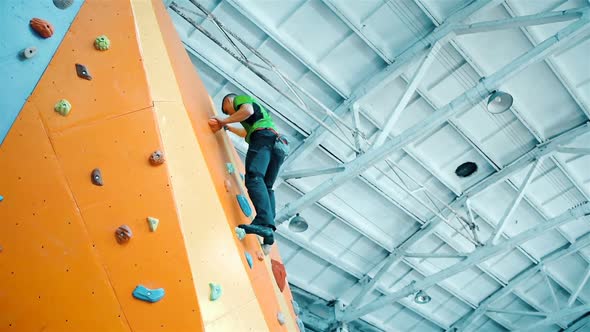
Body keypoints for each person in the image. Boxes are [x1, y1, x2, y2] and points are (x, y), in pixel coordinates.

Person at [208, 93, 289, 246]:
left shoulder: (241, 99)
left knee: (254, 177)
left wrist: (223, 120)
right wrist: (229, 127)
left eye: (228, 110)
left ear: (229, 100)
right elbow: (246, 132)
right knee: (267, 186)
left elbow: (247, 111)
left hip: (263, 138)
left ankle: (262, 223)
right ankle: (269, 230)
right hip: (278, 144)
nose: (231, 114)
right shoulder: (256, 121)